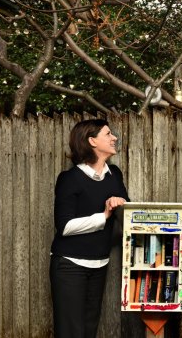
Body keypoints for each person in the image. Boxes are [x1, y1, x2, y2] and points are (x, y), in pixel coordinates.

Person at [50, 119, 129, 338]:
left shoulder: (115, 174)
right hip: (69, 265)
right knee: (71, 332)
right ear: (92, 141)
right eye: (108, 134)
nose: (114, 138)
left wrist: (118, 201)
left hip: (99, 263)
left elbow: (126, 207)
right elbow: (64, 226)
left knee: (89, 329)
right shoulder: (70, 179)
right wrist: (103, 216)